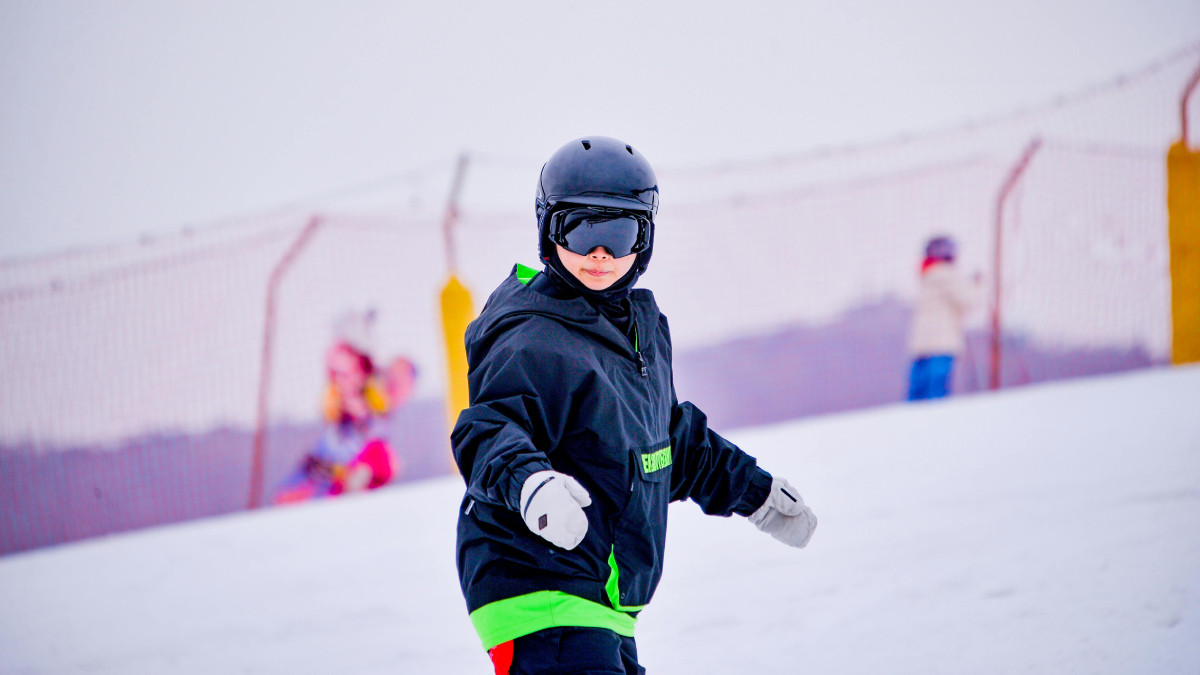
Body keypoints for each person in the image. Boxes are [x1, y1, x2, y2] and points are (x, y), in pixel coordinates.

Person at [452, 136, 818, 675]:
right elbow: (487, 429)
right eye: (580, 231)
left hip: (602, 595)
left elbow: (669, 443)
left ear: (644, 239)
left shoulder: (637, 328)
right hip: (535, 581)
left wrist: (755, 493)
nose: (600, 253)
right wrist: (532, 486)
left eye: (619, 234)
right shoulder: (530, 334)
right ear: (548, 230)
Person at [274, 311, 405, 504]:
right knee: (290, 494)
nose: (342, 382)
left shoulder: (375, 422)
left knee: (379, 456)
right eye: (336, 375)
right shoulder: (333, 429)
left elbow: (385, 463)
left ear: (363, 372)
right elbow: (301, 481)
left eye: (348, 374)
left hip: (361, 487)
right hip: (332, 492)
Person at [906, 235, 983, 400]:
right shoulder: (946, 275)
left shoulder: (927, 276)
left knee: (918, 393)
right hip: (941, 343)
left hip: (921, 346)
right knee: (936, 394)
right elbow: (969, 301)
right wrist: (976, 285)